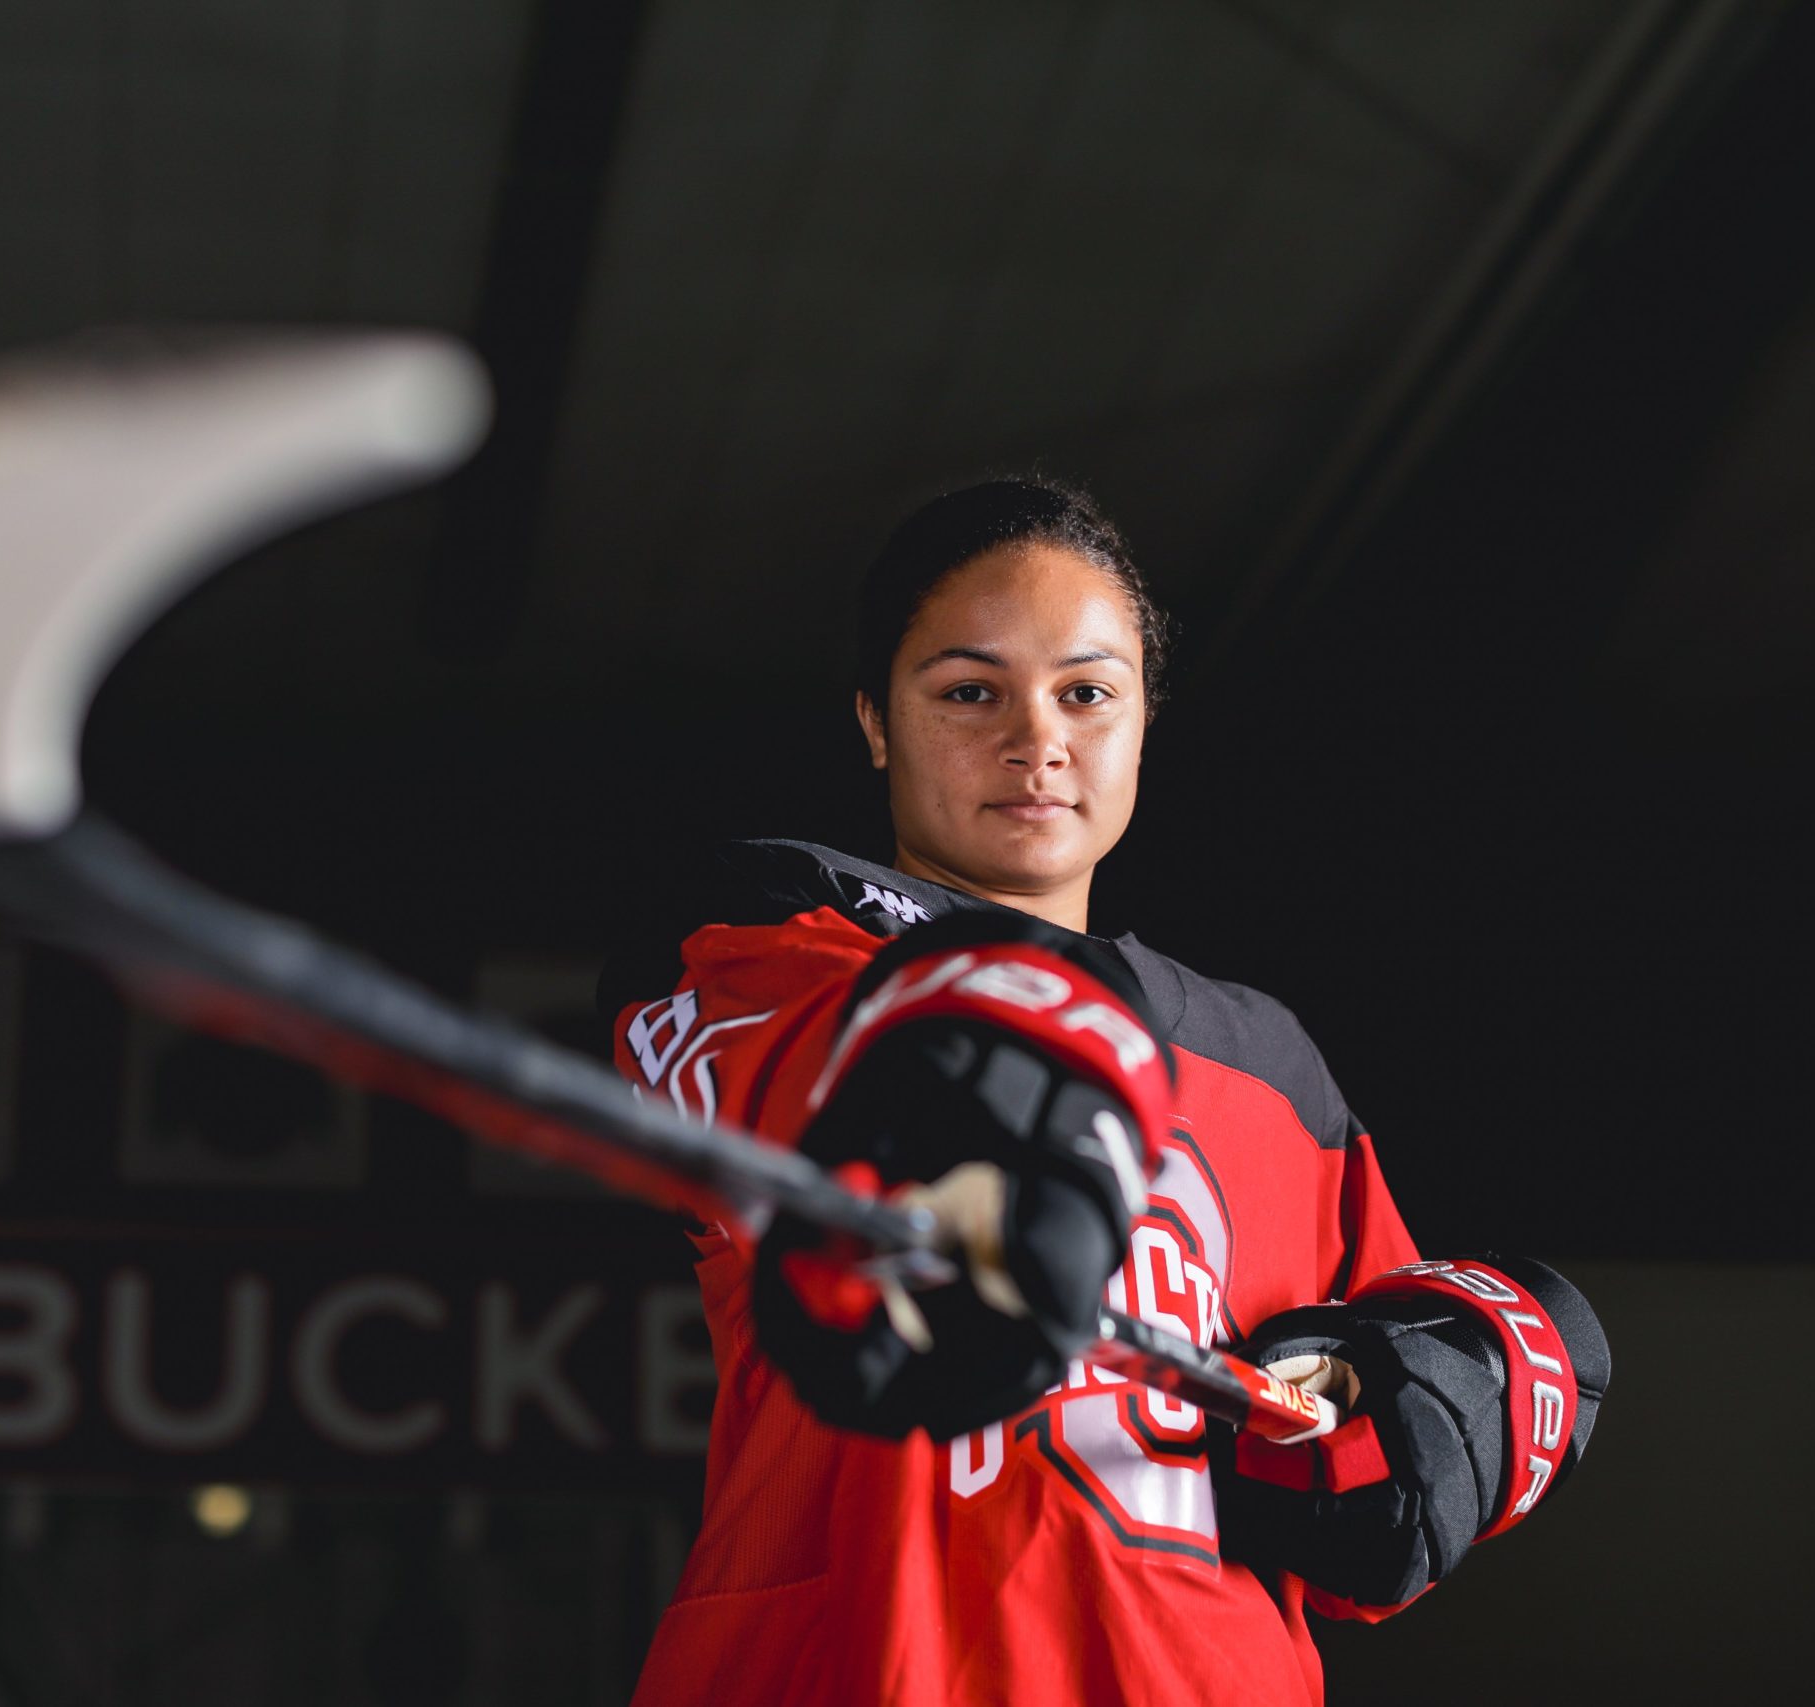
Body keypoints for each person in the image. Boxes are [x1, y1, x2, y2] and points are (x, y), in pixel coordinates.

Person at [599, 478, 1609, 1707]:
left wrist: (1433, 1388)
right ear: (875, 722)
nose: (1038, 740)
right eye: (969, 692)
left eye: (1087, 692)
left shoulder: (1269, 1068)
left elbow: (1378, 1449)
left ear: (1142, 719)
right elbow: (785, 1089)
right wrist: (958, 1075)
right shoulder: (783, 954)